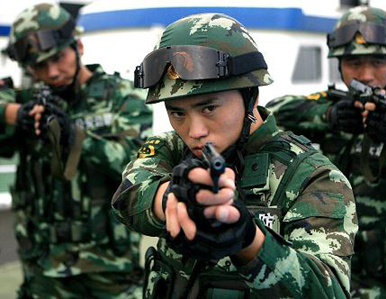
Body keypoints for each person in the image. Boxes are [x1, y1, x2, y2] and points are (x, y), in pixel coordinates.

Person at [111, 12, 358, 298]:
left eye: (209, 108)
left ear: (250, 94)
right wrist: (174, 198)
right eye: (177, 112)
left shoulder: (313, 177)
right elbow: (127, 194)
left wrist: (249, 240)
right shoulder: (172, 148)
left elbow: (329, 291)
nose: (194, 131)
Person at [266, 6, 386, 298]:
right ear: (339, 65)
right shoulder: (334, 104)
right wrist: (327, 116)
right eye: (353, 63)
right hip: (328, 273)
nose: (366, 75)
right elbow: (266, 115)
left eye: (378, 62)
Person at [0, 3, 153, 298]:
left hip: (109, 268)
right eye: (39, 66)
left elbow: (134, 164)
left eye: (58, 57)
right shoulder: (31, 103)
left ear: (78, 46)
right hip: (43, 268)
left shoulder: (120, 96)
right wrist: (16, 114)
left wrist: (75, 136)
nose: (53, 72)